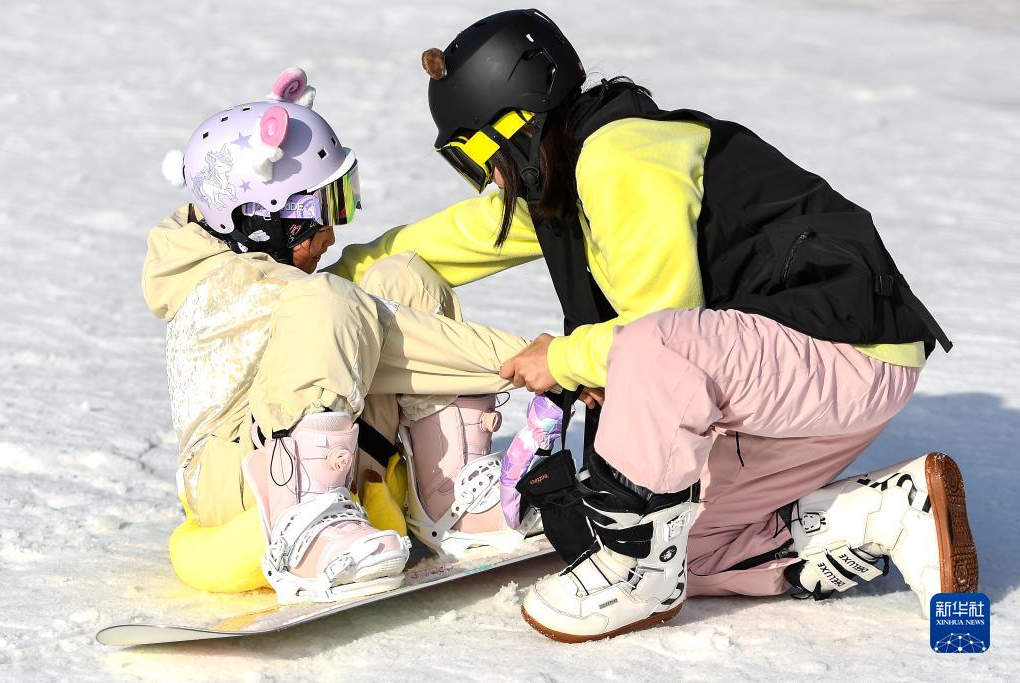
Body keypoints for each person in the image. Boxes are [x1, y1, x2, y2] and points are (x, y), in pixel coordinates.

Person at [330, 10, 977, 641]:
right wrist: (321, 284)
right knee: (689, 548)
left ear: (518, 122)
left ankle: (632, 573)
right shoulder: (567, 180)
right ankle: (886, 509)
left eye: (473, 150)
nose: (484, 177)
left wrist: (564, 359)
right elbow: (441, 242)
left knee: (647, 371)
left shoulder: (621, 159)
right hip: (797, 374)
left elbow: (663, 332)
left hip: (841, 351)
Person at [143, 68, 539, 603]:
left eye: (342, 201)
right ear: (262, 219)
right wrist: (543, 361)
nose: (332, 233)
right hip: (237, 485)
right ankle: (305, 535)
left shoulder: (263, 268)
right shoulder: (230, 286)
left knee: (404, 277)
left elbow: (371, 308)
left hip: (318, 456)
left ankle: (449, 498)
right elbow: (390, 335)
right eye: (323, 211)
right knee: (330, 301)